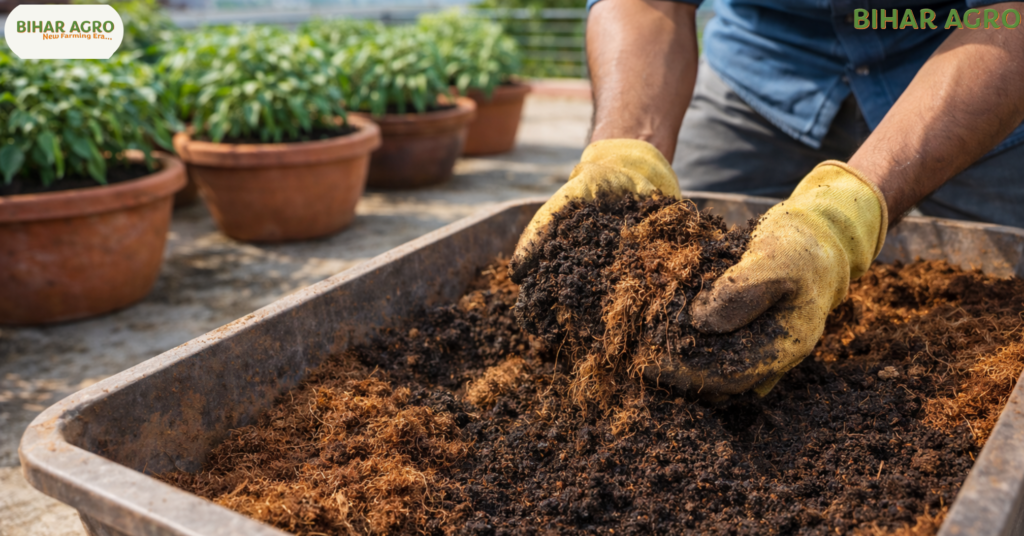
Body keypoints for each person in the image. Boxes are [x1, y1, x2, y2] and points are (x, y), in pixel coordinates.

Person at [509, 0, 1024, 397]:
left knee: (1000, 302)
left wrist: (841, 220)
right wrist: (627, 149)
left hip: (964, 59)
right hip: (766, 64)